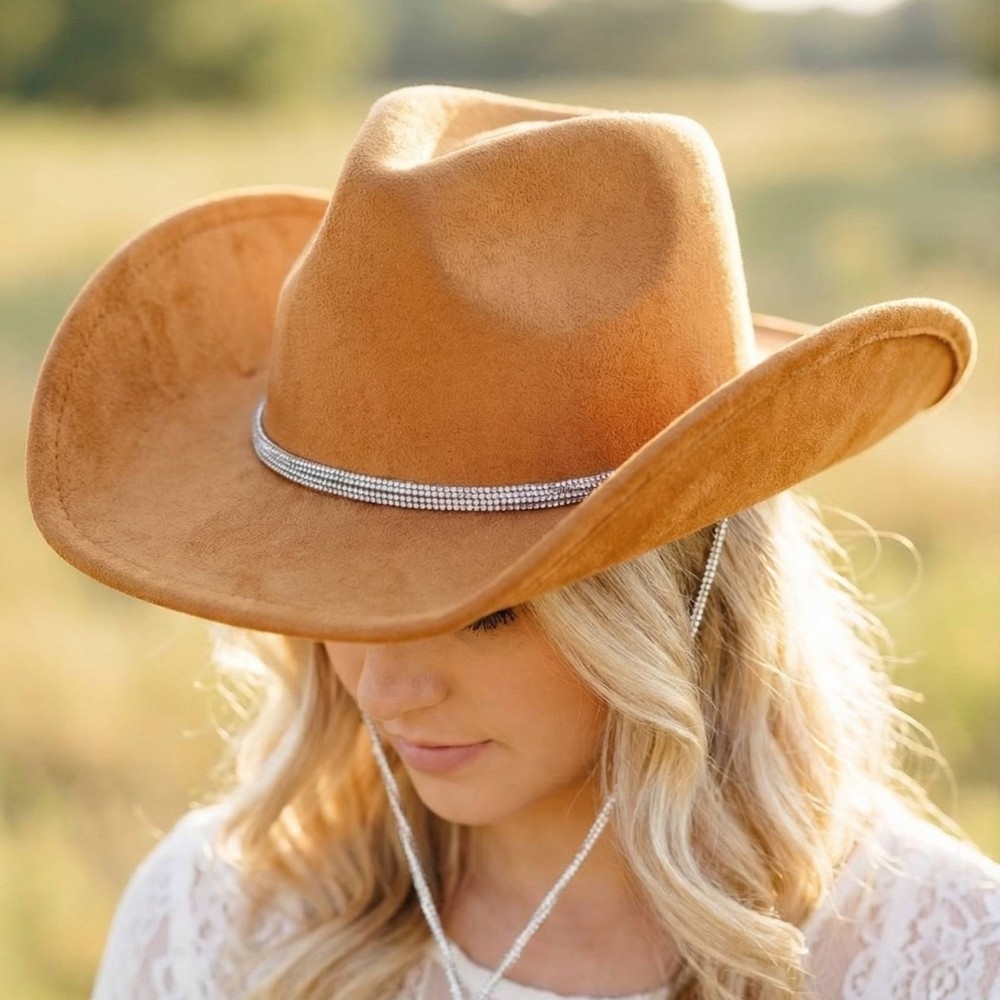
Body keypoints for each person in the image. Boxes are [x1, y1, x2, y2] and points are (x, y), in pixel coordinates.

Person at [26, 84, 998, 1000]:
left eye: (488, 611)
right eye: (339, 598)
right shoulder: (213, 921)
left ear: (683, 590)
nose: (383, 687)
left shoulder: (937, 954)